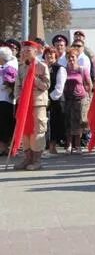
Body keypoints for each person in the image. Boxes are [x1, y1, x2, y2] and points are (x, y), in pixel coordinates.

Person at [13, 41, 51, 171]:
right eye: (23, 51)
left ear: (35, 52)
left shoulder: (42, 66)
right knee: (25, 131)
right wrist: (19, 98)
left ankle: (36, 160)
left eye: (27, 51)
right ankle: (27, 158)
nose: (24, 54)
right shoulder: (22, 67)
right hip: (24, 104)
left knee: (37, 131)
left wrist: (33, 78)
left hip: (37, 103)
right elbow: (17, 85)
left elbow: (46, 85)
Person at [63, 47, 93, 154]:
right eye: (69, 57)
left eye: (73, 57)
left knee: (79, 122)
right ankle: (69, 145)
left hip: (80, 98)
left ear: (76, 58)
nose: (71, 59)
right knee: (69, 122)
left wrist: (88, 96)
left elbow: (89, 84)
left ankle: (78, 145)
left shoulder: (82, 69)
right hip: (68, 99)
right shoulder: (64, 70)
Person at [44, 48, 68, 155]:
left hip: (56, 100)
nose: (49, 57)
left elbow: (59, 87)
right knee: (46, 124)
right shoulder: (42, 68)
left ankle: (53, 146)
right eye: (47, 55)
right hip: (45, 100)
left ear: (56, 56)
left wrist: (49, 97)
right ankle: (46, 146)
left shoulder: (60, 69)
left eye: (52, 55)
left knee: (55, 123)